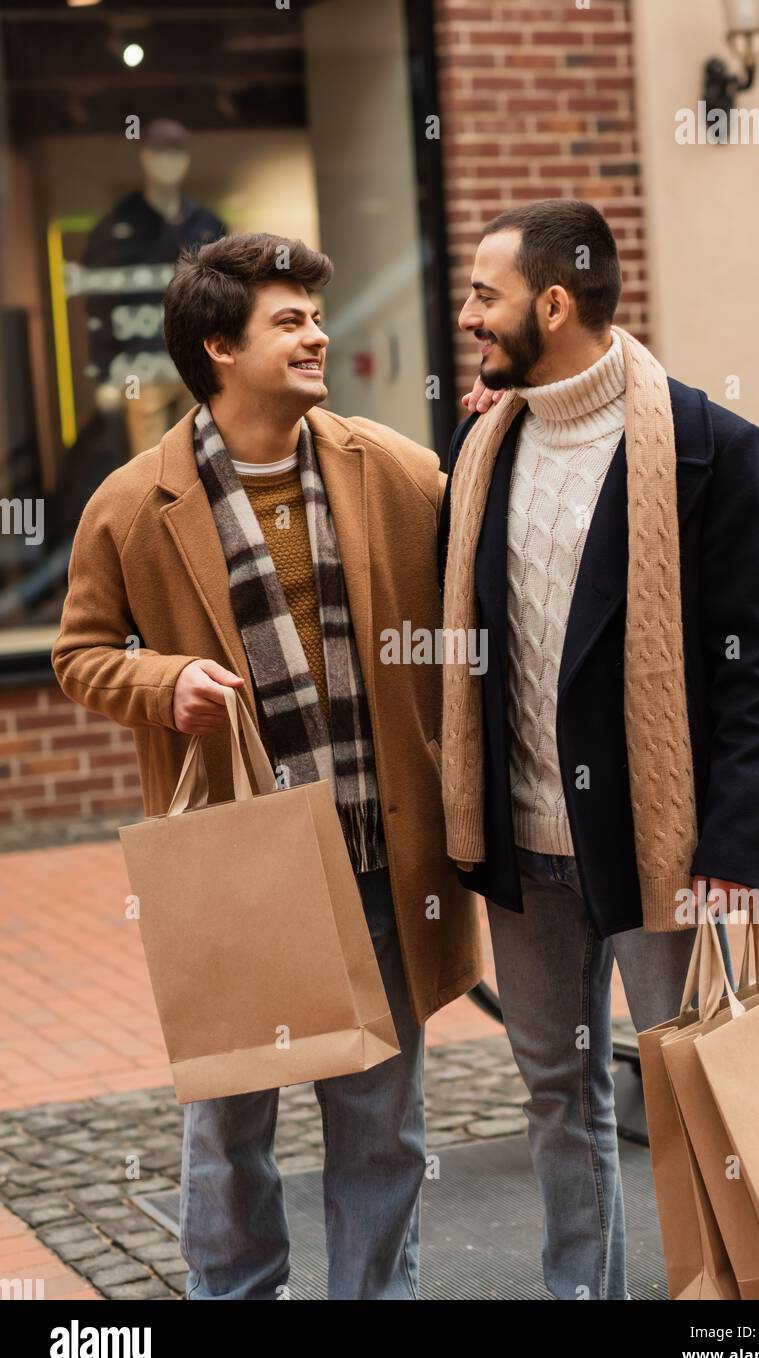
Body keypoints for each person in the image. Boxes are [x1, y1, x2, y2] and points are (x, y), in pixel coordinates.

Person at [52, 231, 483, 1301]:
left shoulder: (391, 468)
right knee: (230, 1127)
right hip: (240, 864)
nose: (316, 334)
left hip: (381, 851)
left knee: (383, 1126)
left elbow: (482, 572)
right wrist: (167, 685)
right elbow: (79, 655)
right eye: (287, 320)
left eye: (313, 314)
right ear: (220, 348)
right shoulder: (130, 503)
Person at [437, 198, 759, 1301]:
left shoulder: (707, 447)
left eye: (485, 296)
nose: (467, 316)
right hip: (523, 838)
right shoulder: (484, 440)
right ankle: (579, 1294)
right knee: (558, 1091)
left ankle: (730, 1303)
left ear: (555, 302)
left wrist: (734, 846)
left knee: (697, 1088)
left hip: (665, 843)